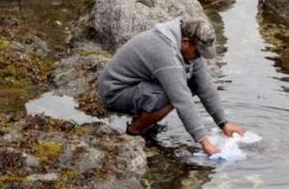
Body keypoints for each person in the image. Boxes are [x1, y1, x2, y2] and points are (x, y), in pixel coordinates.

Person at [97, 17, 245, 155]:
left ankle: (146, 121)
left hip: (138, 85)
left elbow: (204, 85)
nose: (199, 57)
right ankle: (134, 131)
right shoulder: (165, 52)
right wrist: (205, 142)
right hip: (114, 93)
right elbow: (181, 99)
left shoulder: (186, 45)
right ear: (186, 42)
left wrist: (223, 123)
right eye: (198, 52)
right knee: (171, 95)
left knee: (188, 85)